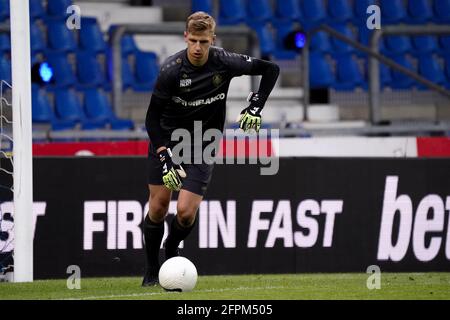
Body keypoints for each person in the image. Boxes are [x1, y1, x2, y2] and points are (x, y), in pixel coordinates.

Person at [142, 11, 280, 286]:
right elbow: (151, 118)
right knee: (158, 208)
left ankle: (172, 248)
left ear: (212, 40)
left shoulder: (223, 61)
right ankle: (151, 270)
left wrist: (256, 105)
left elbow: (270, 69)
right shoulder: (171, 70)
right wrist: (164, 156)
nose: (197, 47)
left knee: (185, 212)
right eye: (193, 40)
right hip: (168, 141)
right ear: (185, 37)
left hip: (203, 143)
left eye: (203, 42)